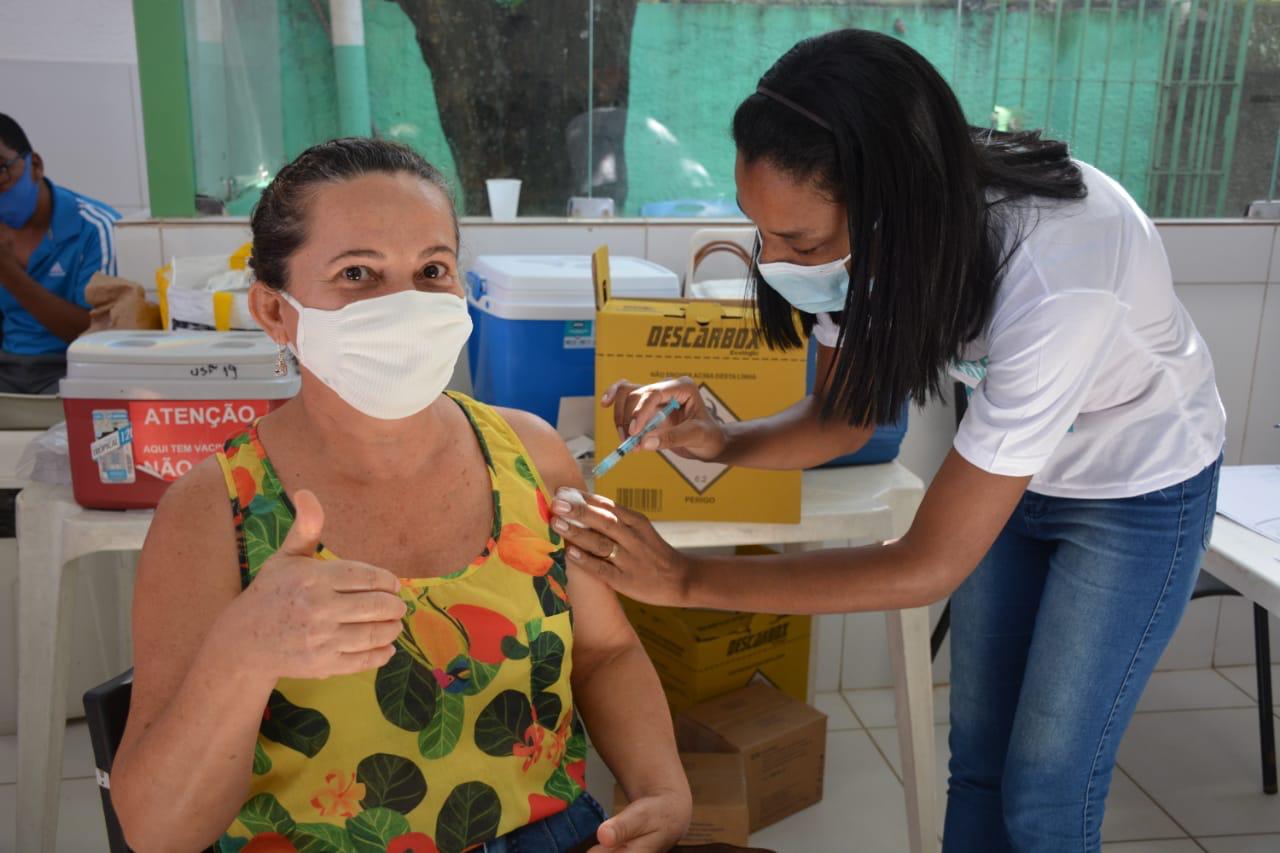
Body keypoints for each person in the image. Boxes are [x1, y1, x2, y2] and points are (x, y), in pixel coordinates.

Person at [550, 29, 1224, 853]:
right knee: (976, 755)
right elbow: (843, 417)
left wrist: (686, 579)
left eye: (799, 244)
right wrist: (717, 441)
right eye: (761, 232)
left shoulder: (1057, 270)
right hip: (1016, 479)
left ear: (891, 207)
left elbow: (924, 567)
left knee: (1046, 785)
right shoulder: (870, 241)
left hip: (1137, 491)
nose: (774, 261)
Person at [109, 138, 691, 853]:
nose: (405, 304)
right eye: (357, 272)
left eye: (431, 269)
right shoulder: (212, 513)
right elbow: (156, 831)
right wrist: (244, 651)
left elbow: (604, 653)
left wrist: (662, 787)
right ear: (273, 310)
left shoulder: (532, 457)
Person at [0, 113, 119, 393]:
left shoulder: (95, 228)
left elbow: (100, 337)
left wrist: (9, 274)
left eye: (1, 169)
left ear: (35, 166)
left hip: (73, 371)